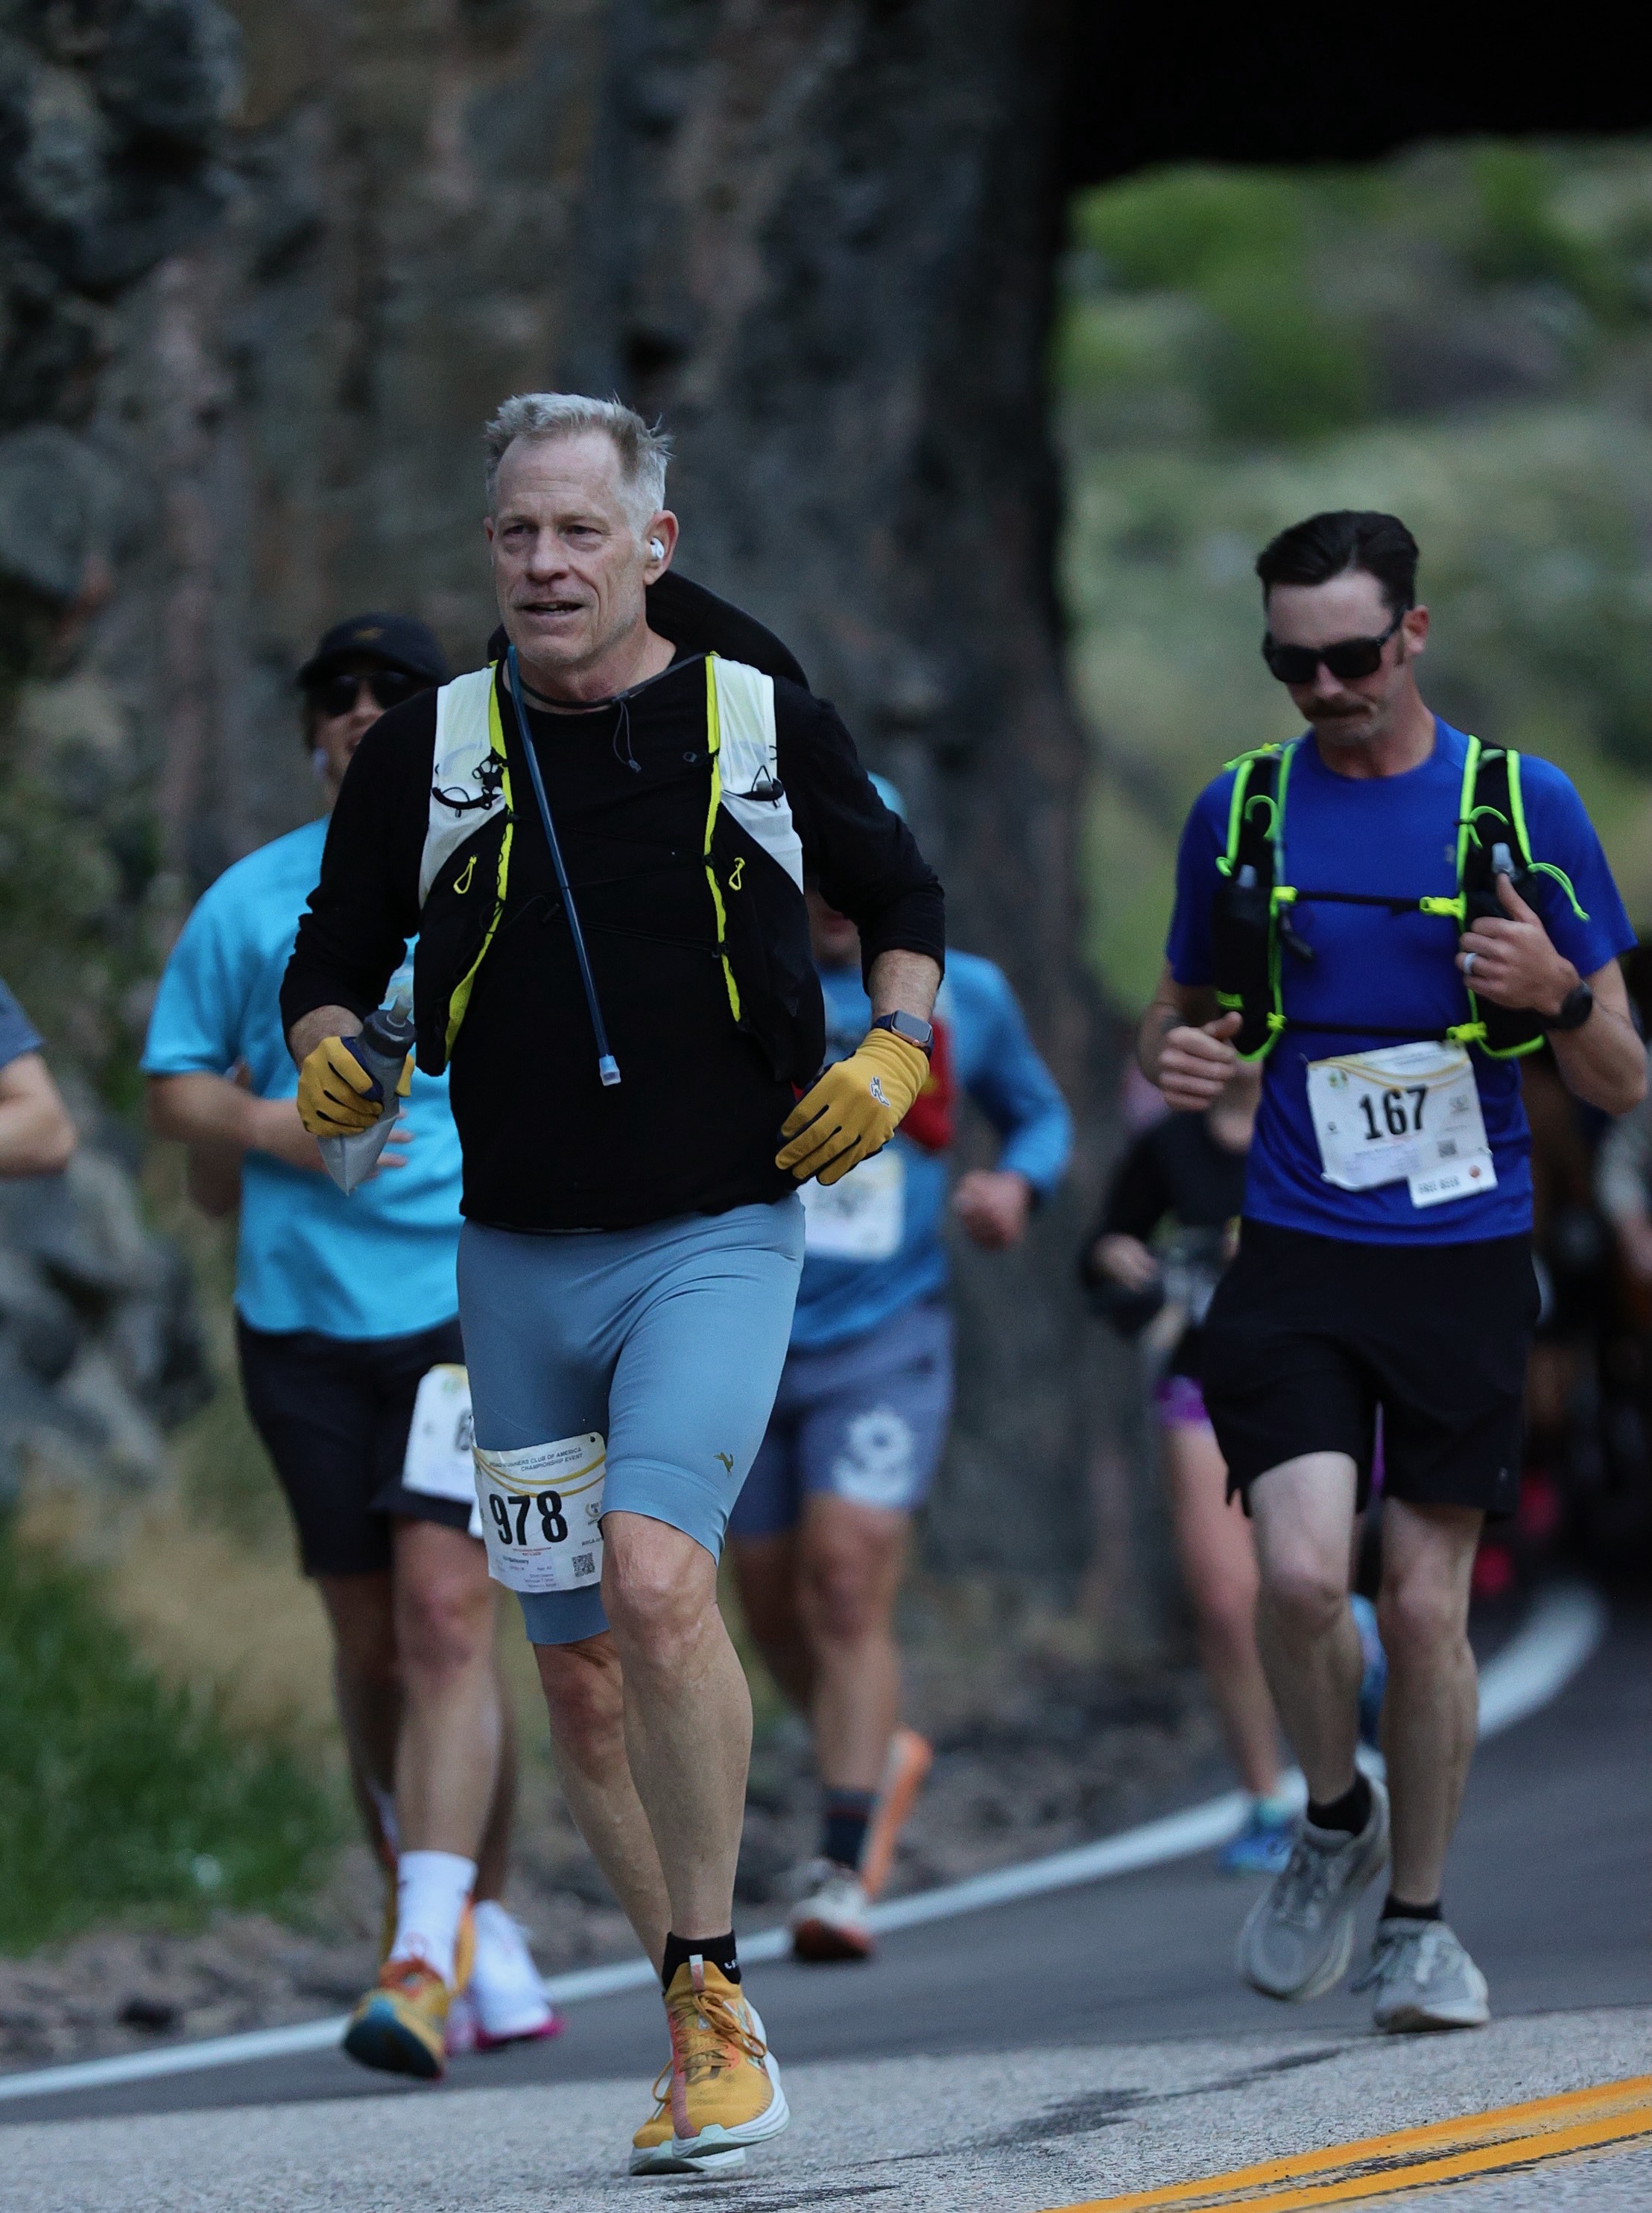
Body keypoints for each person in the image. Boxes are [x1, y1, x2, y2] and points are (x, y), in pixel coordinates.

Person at [278, 394, 945, 2176]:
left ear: (653, 545)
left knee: (656, 1581)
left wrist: (892, 1047)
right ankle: (690, 2018)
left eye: (580, 530)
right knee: (572, 1674)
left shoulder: (754, 718)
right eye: (516, 532)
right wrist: (331, 1047)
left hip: (715, 1231)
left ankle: (716, 1990)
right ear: (487, 550)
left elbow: (901, 896)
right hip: (513, 1260)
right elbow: (332, 955)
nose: (545, 563)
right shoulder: (430, 750)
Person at [1140, 509, 1643, 2033]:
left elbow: (1621, 1077)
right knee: (1301, 1576)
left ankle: (1418, 1925)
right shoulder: (1240, 812)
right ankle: (1332, 1816)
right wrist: (1177, 1059)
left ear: (1411, 635)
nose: (1324, 689)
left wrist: (1556, 993)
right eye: (1290, 664)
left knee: (1423, 1608)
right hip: (1296, 1245)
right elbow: (1177, 1016)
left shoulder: (1520, 808)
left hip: (1463, 1253)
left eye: (1351, 657)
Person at [144, 612, 558, 2080]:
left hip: (466, 1306)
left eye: (399, 691)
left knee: (449, 1617)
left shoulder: (514, 877)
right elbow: (174, 1087)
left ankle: (423, 1950)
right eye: (339, 693)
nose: (365, 710)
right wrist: (280, 1126)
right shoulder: (253, 902)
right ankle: (459, 1909)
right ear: (312, 729)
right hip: (301, 1323)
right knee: (372, 1644)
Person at [730, 783, 1072, 1959]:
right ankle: (876, 1750)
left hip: (884, 1337)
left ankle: (840, 1860)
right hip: (740, 1337)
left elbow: (1039, 1117)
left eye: (855, 869)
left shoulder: (963, 992)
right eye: (810, 868)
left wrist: (1013, 1185)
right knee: (769, 1603)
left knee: (844, 1578)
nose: (834, 896)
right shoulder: (733, 979)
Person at [1083, 1062, 1298, 1873]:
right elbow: (1105, 1247)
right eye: (1220, 1016)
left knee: (1304, 1589)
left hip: (1320, 1384)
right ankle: (1265, 1799)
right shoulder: (1169, 1145)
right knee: (1223, 1600)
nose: (1237, 1036)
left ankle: (1343, 1751)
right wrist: (1115, 1256)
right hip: (1203, 1382)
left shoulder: (1322, 1123)